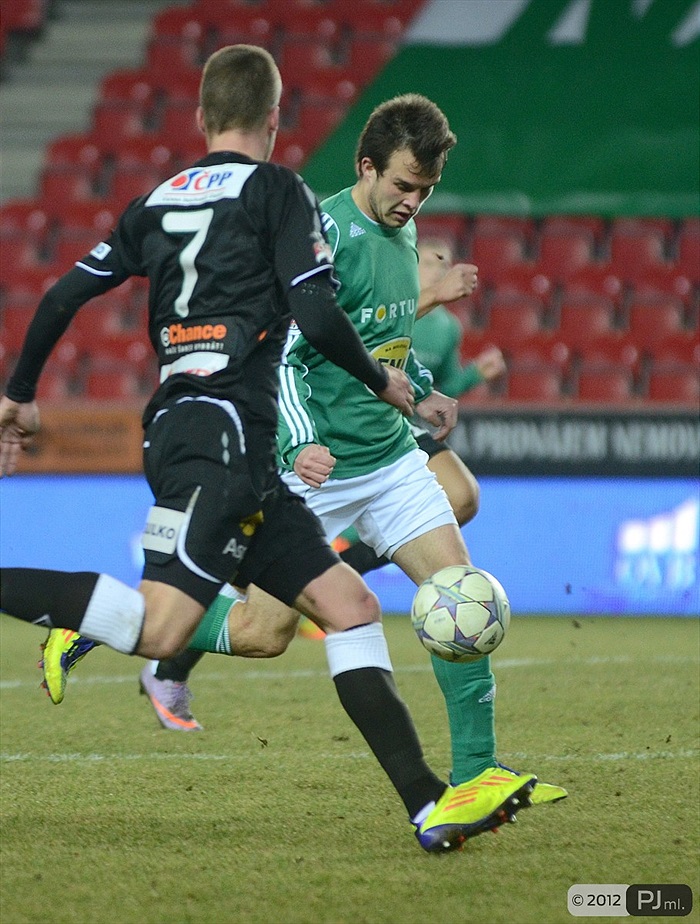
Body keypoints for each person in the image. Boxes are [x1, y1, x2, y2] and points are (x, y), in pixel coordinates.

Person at [0, 45, 526, 854]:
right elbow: (314, 320)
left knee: (348, 608)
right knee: (163, 630)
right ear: (276, 121)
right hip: (216, 433)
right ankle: (90, 624)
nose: (413, 200)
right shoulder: (283, 193)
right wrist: (383, 384)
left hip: (230, 444)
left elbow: (64, 293)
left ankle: (431, 806)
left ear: (201, 117)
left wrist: (20, 394)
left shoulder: (156, 200)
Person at [338, 235, 507, 576]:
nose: (437, 269)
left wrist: (473, 375)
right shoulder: (382, 296)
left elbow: (442, 385)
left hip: (395, 420)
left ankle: (347, 567)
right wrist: (435, 295)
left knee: (462, 497)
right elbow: (366, 330)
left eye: (443, 263)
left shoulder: (447, 327)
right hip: (341, 412)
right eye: (428, 261)